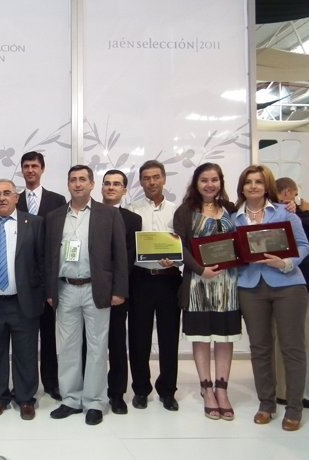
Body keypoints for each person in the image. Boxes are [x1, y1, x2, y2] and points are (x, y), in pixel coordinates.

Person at [45, 165, 128, 425]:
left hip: (97, 289)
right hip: (65, 289)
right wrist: (50, 291)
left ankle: (94, 401)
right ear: (67, 184)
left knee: (96, 347)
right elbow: (48, 257)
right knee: (68, 347)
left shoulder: (108, 215)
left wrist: (119, 290)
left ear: (92, 184)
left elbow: (120, 255)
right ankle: (70, 399)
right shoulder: (55, 216)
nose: (78, 184)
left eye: (83, 179)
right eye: (73, 180)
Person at [234, 165, 309, 431]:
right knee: (260, 348)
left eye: (258, 181)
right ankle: (266, 404)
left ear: (267, 186)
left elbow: (304, 245)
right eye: (248, 182)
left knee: (292, 348)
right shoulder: (235, 219)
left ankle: (294, 408)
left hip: (288, 285)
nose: (253, 186)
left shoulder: (284, 212)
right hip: (250, 287)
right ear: (242, 187)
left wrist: (286, 263)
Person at [173, 163, 240, 421]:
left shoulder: (232, 209)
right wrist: (201, 270)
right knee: (201, 337)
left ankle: (222, 390)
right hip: (197, 284)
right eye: (204, 180)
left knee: (225, 337)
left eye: (214, 180)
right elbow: (179, 246)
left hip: (228, 284)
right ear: (196, 183)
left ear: (221, 182)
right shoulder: (185, 211)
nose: (209, 185)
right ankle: (206, 388)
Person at [0, 179, 44, 421]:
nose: (2, 197)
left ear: (17, 197)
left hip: (23, 301)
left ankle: (26, 398)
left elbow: (42, 261)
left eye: (7, 193)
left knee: (25, 353)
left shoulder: (34, 223)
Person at [127, 159, 182, 412]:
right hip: (140, 280)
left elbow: (185, 245)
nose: (151, 182)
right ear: (140, 182)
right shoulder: (132, 210)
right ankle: (140, 389)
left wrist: (176, 257)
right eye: (146, 178)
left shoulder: (177, 210)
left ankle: (168, 391)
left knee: (169, 338)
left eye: (156, 177)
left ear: (164, 179)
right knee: (139, 339)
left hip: (170, 279)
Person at [17, 150, 66, 401]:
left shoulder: (57, 201)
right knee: (23, 337)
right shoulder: (13, 200)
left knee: (48, 335)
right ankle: (23, 384)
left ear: (42, 169)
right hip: (20, 279)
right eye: (26, 166)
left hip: (46, 278)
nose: (30, 170)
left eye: (34, 166)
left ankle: (51, 382)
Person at [274, 177, 309, 409]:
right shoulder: (280, 213)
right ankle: (285, 393)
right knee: (285, 341)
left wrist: (304, 212)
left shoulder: (294, 214)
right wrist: (307, 211)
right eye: (295, 193)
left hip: (294, 281)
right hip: (281, 280)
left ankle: (291, 392)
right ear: (288, 192)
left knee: (295, 340)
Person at [100, 170, 142, 415]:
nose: (111, 187)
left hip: (117, 294)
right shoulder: (89, 214)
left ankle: (117, 394)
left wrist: (117, 291)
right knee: (91, 346)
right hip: (89, 290)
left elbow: (128, 259)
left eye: (117, 184)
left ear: (125, 190)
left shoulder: (132, 219)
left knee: (116, 344)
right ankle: (90, 389)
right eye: (107, 183)